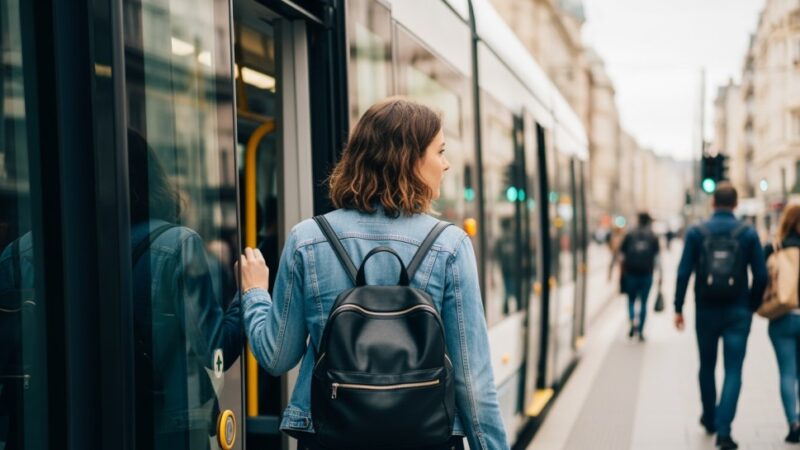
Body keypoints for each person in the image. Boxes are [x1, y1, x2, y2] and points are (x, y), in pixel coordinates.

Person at [238, 97, 508, 450]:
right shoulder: (450, 246)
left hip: (330, 435)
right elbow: (474, 383)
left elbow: (276, 357)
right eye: (440, 152)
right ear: (409, 160)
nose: (446, 164)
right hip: (426, 437)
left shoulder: (307, 239)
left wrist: (255, 293)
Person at [127, 129, 243, 449]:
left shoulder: (27, 251)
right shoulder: (177, 245)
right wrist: (248, 296)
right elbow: (215, 354)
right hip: (170, 421)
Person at [674, 182, 767, 450]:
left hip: (705, 309)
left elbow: (683, 273)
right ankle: (724, 432)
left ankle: (710, 418)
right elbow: (760, 275)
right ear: (736, 204)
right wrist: (752, 304)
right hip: (738, 310)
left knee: (706, 366)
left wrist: (678, 307)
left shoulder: (696, 232)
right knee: (734, 370)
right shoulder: (748, 233)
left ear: (712, 203)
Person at [763, 204, 800, 443]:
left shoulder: (773, 248)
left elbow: (761, 280)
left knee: (787, 373)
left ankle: (793, 423)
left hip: (782, 316)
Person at [617, 212, 661, 341]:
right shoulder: (653, 236)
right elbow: (658, 258)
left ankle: (632, 322)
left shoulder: (630, 235)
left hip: (631, 274)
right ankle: (641, 331)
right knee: (643, 303)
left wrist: (621, 272)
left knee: (631, 300)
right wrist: (660, 276)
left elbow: (621, 256)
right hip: (647, 274)